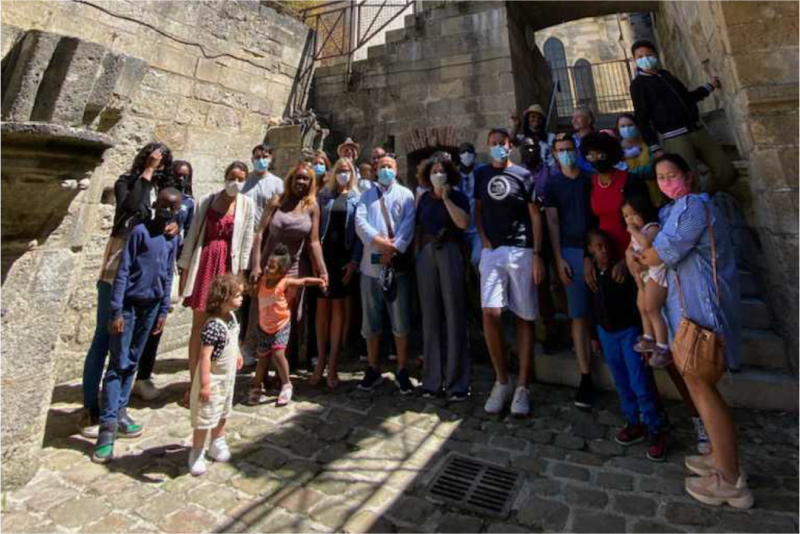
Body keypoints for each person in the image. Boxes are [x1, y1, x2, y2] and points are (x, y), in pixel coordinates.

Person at [634, 154, 750, 508]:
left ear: (687, 175)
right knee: (699, 388)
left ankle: (731, 480)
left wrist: (645, 253)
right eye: (661, 177)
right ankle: (719, 458)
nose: (667, 181)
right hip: (687, 314)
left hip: (705, 313)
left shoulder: (694, 208)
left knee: (704, 389)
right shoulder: (673, 211)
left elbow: (658, 255)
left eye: (672, 175)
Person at [78, 142, 178, 438]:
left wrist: (175, 225)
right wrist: (146, 172)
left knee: (133, 344)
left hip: (147, 268)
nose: (158, 163)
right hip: (119, 260)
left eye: (162, 160)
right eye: (153, 158)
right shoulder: (128, 183)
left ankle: (118, 409)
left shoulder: (165, 193)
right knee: (104, 336)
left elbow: (178, 210)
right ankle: (90, 408)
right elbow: (131, 207)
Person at [92, 188, 182, 463]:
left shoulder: (172, 237)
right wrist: (116, 310)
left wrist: (164, 309)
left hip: (152, 306)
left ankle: (120, 413)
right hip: (129, 305)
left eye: (173, 207)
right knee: (117, 364)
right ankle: (106, 430)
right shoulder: (139, 232)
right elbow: (123, 271)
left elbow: (168, 273)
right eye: (164, 205)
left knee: (132, 361)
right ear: (155, 204)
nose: (168, 210)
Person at [474, 127, 545, 417]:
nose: (497, 147)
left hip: (521, 249)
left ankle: (523, 386)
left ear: (510, 145)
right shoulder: (482, 175)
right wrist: (482, 237)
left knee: (523, 315)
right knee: (490, 312)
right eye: (492, 144)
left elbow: (534, 215)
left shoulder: (523, 175)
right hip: (493, 250)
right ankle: (502, 380)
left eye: (501, 143)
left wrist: (538, 254)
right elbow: (477, 209)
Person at [178, 161, 256, 406]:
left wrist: (240, 278)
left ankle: (214, 381)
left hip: (228, 269)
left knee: (223, 327)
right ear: (225, 176)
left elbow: (246, 242)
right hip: (206, 263)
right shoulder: (207, 200)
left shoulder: (247, 204)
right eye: (233, 176)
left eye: (241, 178)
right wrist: (185, 267)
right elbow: (192, 236)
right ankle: (194, 383)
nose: (236, 181)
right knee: (199, 327)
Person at [586, 229, 666, 462]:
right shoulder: (593, 275)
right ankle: (633, 422)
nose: (603, 250)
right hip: (606, 333)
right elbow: (593, 307)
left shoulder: (620, 273)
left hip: (628, 332)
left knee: (639, 382)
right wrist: (594, 334)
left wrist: (644, 335)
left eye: (606, 246)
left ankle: (655, 428)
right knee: (622, 381)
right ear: (590, 250)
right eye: (598, 246)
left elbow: (638, 305)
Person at [247, 163, 328, 368]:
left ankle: (285, 365)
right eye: (297, 178)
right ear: (290, 179)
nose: (300, 182)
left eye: (305, 179)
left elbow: (314, 242)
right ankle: (263, 367)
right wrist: (256, 265)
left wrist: (322, 270)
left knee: (289, 317)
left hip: (293, 268)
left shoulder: (312, 206)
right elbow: (259, 234)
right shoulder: (277, 201)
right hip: (269, 267)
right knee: (265, 316)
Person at [630, 40, 737, 193]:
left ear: (656, 55)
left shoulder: (666, 75)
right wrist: (655, 147)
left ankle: (703, 197)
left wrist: (709, 87)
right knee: (689, 183)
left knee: (727, 172)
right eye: (640, 56)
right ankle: (697, 209)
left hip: (696, 130)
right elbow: (642, 119)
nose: (645, 59)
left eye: (648, 54)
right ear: (635, 60)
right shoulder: (638, 85)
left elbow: (686, 97)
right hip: (674, 138)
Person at [133, 160, 196, 401]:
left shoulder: (189, 203)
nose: (181, 179)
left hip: (168, 267)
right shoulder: (157, 198)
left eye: (186, 176)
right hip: (144, 265)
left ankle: (144, 376)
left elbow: (188, 236)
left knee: (156, 324)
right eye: (178, 175)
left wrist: (183, 271)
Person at [355, 155, 416, 394]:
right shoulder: (366, 196)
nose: (386, 170)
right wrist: (380, 243)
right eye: (382, 167)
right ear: (375, 170)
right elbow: (360, 222)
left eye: (389, 166)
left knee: (400, 321)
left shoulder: (406, 195)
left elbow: (409, 224)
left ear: (396, 169)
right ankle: (372, 367)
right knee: (370, 321)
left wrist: (396, 247)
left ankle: (401, 369)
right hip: (371, 266)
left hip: (397, 265)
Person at [544, 134, 596, 409]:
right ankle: (585, 374)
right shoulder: (552, 184)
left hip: (596, 250)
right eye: (560, 150)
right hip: (570, 252)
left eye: (568, 149)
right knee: (578, 314)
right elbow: (552, 221)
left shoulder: (590, 179)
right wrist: (558, 257)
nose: (565, 154)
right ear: (554, 155)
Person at [416, 154, 471, 400]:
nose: (438, 174)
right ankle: (432, 380)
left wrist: (447, 198)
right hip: (427, 254)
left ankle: (457, 382)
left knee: (454, 314)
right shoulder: (424, 199)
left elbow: (463, 223)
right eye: (434, 171)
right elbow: (418, 228)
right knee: (430, 316)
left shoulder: (458, 196)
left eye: (442, 170)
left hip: (450, 250)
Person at [249, 245, 326, 405]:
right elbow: (252, 292)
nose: (267, 268)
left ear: (281, 272)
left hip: (280, 326)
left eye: (272, 267)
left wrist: (319, 280)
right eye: (268, 264)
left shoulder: (284, 283)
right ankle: (257, 386)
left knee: (278, 354)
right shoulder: (262, 281)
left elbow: (303, 281)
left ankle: (286, 384)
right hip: (264, 327)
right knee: (262, 358)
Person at [311, 157, 362, 389]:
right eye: (340, 170)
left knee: (339, 308)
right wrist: (316, 260)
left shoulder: (357, 198)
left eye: (347, 170)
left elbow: (360, 232)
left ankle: (332, 362)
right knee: (322, 307)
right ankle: (320, 359)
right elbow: (315, 229)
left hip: (344, 258)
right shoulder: (323, 195)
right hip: (325, 256)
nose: (343, 174)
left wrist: (354, 261)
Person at [187, 273, 244, 476]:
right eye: (237, 295)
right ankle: (197, 451)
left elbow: (234, 339)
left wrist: (237, 353)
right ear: (223, 299)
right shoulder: (213, 326)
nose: (241, 298)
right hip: (212, 381)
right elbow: (205, 357)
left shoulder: (231, 319)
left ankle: (217, 441)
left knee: (223, 413)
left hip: (227, 380)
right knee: (206, 417)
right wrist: (204, 384)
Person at [241, 144, 284, 364]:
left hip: (267, 244)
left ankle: (259, 345)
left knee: (262, 295)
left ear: (271, 157)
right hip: (244, 244)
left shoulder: (277, 183)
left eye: (265, 156)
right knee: (245, 295)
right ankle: (245, 345)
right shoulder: (245, 182)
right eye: (257, 156)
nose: (261, 159)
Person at [520, 137, 560, 355]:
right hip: (531, 233)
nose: (529, 150)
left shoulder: (549, 171)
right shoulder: (519, 174)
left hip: (552, 227)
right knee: (540, 284)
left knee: (559, 281)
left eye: (533, 146)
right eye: (525, 147)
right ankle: (548, 328)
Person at [622, 194, 670, 367]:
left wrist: (633, 231)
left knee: (652, 308)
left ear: (644, 212)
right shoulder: (637, 232)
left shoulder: (652, 227)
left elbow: (646, 245)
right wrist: (629, 255)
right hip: (641, 275)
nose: (629, 219)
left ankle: (662, 346)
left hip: (655, 274)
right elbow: (629, 250)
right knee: (641, 306)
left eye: (633, 214)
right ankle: (648, 337)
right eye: (626, 216)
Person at [456, 142, 482, 268]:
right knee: (462, 264)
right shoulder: (453, 175)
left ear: (475, 155)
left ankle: (479, 286)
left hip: (478, 227)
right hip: (460, 228)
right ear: (459, 155)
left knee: (477, 259)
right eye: (463, 152)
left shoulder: (482, 171)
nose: (466, 155)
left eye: (469, 152)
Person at [571, 107, 597, 174]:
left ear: (589, 120)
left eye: (578, 117)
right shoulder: (571, 139)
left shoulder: (598, 138)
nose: (574, 120)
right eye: (573, 118)